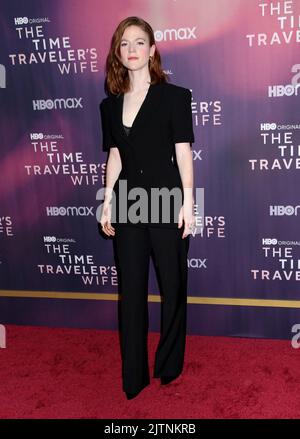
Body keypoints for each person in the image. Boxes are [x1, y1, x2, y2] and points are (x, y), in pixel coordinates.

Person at [99, 16, 195, 400]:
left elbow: (183, 153)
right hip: (128, 204)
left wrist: (189, 203)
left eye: (139, 42)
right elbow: (116, 157)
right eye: (124, 44)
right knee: (132, 292)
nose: (132, 50)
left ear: (153, 49)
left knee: (173, 288)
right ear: (118, 54)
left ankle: (169, 364)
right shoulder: (109, 105)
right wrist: (107, 203)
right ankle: (133, 375)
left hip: (167, 201)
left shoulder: (175, 97)